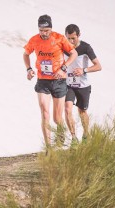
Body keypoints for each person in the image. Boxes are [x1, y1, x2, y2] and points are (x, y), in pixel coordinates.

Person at [23, 15, 78, 149]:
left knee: (57, 118)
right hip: (43, 81)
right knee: (45, 113)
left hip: (59, 81)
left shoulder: (59, 38)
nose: (44, 33)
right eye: (41, 30)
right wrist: (29, 69)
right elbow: (25, 54)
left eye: (47, 30)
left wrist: (63, 68)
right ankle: (48, 147)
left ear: (51, 29)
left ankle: (63, 132)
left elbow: (74, 53)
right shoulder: (34, 40)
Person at [63, 24, 102, 147]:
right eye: (68, 38)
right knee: (67, 109)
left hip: (83, 85)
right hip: (68, 85)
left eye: (73, 38)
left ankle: (86, 134)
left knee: (82, 111)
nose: (70, 41)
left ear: (79, 35)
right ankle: (74, 139)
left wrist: (84, 70)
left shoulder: (86, 47)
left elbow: (98, 66)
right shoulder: (63, 47)